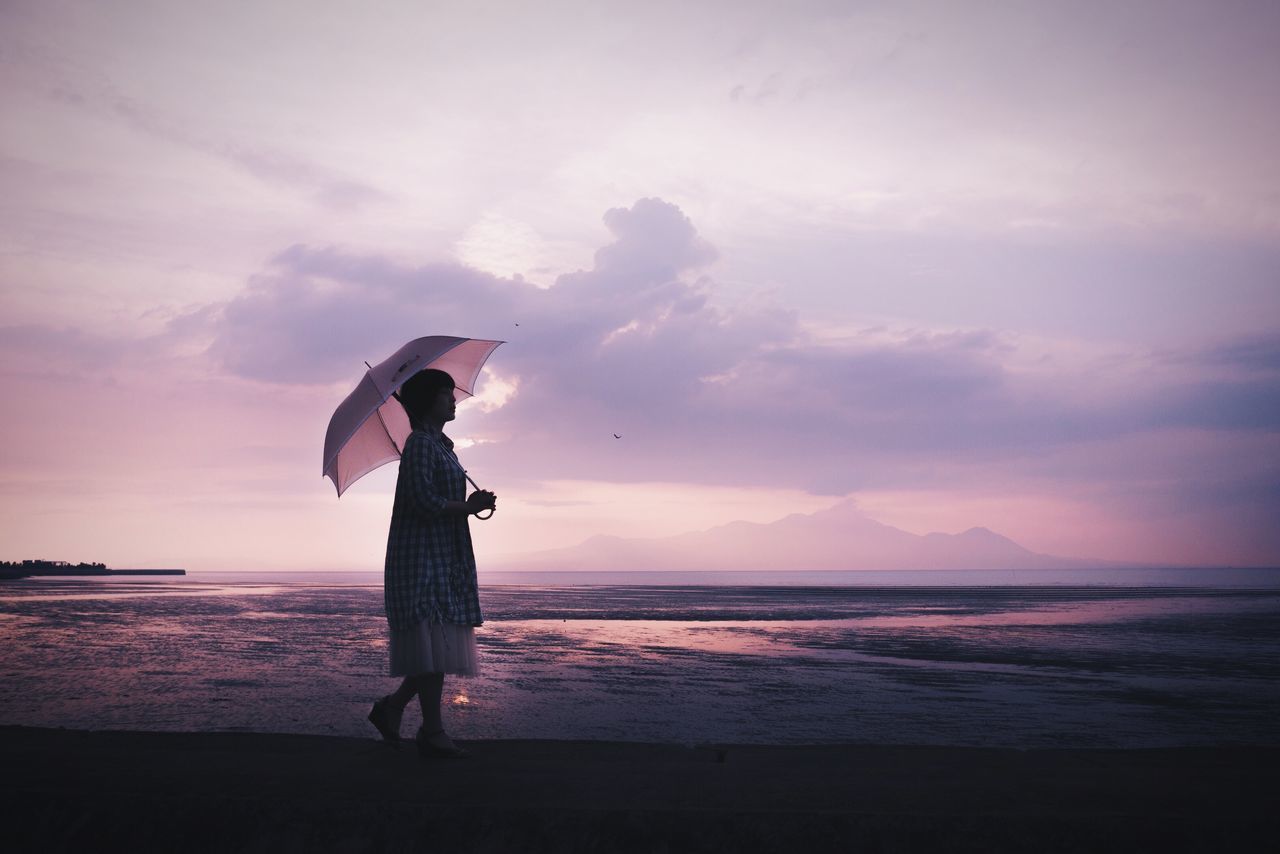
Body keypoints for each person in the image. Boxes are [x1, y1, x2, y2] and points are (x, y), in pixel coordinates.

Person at [367, 368, 496, 759]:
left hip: (440, 554)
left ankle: (392, 710)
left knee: (433, 645)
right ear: (427, 400)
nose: (453, 399)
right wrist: (468, 508)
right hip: (421, 557)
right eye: (445, 393)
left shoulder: (441, 446)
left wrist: (473, 505)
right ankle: (432, 730)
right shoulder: (421, 445)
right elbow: (421, 501)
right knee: (431, 639)